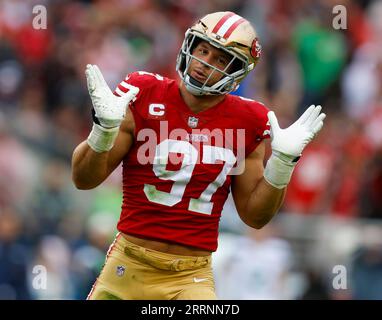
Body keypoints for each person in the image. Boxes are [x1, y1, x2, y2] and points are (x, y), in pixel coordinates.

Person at [71, 11, 326, 300]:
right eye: (203, 50)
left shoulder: (249, 119)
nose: (205, 63)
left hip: (189, 277)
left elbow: (255, 217)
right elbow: (83, 178)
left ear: (238, 71)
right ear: (189, 46)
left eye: (220, 59)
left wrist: (282, 163)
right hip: (128, 263)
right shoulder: (144, 92)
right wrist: (102, 132)